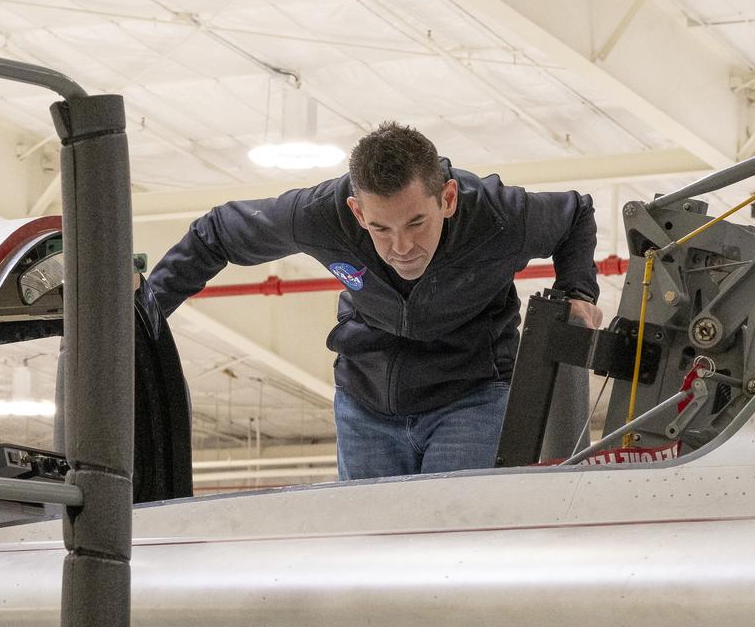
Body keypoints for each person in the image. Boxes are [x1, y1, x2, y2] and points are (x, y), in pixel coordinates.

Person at [142, 122, 601, 480]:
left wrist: (578, 292)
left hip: (472, 396)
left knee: (451, 542)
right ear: (357, 211)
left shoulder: (500, 215)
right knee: (372, 551)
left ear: (448, 197)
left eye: (416, 222)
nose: (400, 246)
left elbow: (575, 214)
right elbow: (215, 233)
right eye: (380, 228)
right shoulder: (319, 214)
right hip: (365, 402)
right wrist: (140, 322)